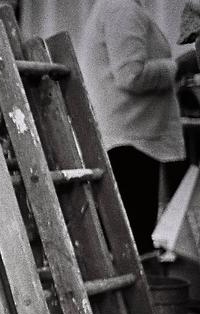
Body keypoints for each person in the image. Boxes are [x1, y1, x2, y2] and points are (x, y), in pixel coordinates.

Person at [79, 0, 195, 254]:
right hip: (131, 141)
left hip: (130, 137)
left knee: (129, 242)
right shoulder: (122, 8)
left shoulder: (116, 7)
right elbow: (131, 75)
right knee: (134, 246)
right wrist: (179, 66)